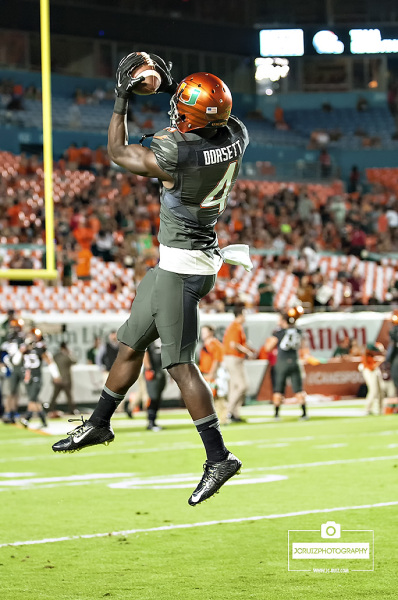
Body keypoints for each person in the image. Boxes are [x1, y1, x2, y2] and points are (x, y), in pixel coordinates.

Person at [52, 53, 249, 506]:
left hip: (180, 270)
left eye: (182, 106)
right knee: (130, 345)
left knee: (179, 365)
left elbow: (118, 153)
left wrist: (122, 99)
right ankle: (100, 423)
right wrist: (177, 88)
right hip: (181, 263)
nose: (175, 110)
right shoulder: (236, 135)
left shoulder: (178, 152)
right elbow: (216, 115)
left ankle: (218, 457)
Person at [264, 307, 308, 421]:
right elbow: (303, 346)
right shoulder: (299, 331)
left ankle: (277, 415)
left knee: (278, 389)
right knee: (299, 389)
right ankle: (304, 413)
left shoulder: (279, 332)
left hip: (282, 362)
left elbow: (268, 347)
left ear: (284, 321)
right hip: (295, 360)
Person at [20, 331, 61, 429]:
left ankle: (27, 417)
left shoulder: (39, 349)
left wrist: (55, 375)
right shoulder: (24, 349)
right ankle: (43, 420)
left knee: (32, 399)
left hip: (36, 377)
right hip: (27, 377)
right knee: (35, 400)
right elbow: (17, 359)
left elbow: (49, 361)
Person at [223, 307, 255, 422]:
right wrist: (248, 352)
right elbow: (233, 345)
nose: (245, 317)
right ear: (239, 315)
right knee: (243, 385)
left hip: (233, 358)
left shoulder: (236, 326)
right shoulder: (235, 327)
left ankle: (234, 414)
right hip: (233, 359)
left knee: (234, 387)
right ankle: (228, 411)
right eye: (244, 314)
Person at [199, 325, 228, 425]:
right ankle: (215, 417)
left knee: (218, 395)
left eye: (205, 332)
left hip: (214, 374)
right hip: (206, 373)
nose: (203, 334)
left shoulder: (214, 344)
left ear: (211, 332)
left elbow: (217, 360)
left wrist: (212, 373)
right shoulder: (206, 344)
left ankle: (223, 417)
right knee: (210, 397)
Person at [48, 342, 78, 415]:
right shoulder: (67, 356)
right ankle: (72, 410)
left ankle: (50, 409)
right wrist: (69, 353)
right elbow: (75, 361)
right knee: (68, 396)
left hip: (57, 379)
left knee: (55, 396)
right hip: (66, 380)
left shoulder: (56, 356)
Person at [143, 339, 166, 431]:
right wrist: (148, 368)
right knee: (153, 396)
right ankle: (150, 422)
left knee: (158, 397)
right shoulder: (150, 336)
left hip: (160, 369)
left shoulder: (164, 334)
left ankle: (153, 421)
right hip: (153, 370)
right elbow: (144, 352)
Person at [358, 343, 385, 415]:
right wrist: (380, 362)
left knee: (380, 391)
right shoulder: (365, 357)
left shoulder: (371, 356)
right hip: (370, 373)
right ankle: (368, 409)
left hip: (374, 373)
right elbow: (371, 368)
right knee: (373, 391)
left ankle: (380, 409)